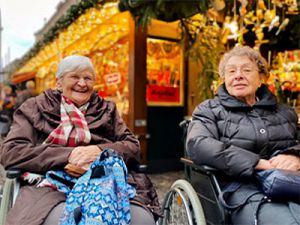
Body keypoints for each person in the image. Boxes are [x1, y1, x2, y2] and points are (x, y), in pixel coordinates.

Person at [0, 55, 160, 225]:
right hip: (51, 184)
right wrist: (69, 155)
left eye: (88, 78)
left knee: (142, 220)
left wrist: (99, 151)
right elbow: (12, 151)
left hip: (106, 181)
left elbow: (132, 146)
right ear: (59, 82)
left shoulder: (107, 109)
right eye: (75, 77)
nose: (82, 83)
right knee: (64, 219)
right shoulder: (35, 108)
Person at [186, 46, 300, 225]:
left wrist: (294, 156)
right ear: (224, 79)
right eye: (231, 71)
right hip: (239, 189)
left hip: (289, 182)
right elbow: (198, 144)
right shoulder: (209, 110)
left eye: (246, 70)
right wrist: (256, 163)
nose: (238, 75)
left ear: (262, 78)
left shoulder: (284, 112)